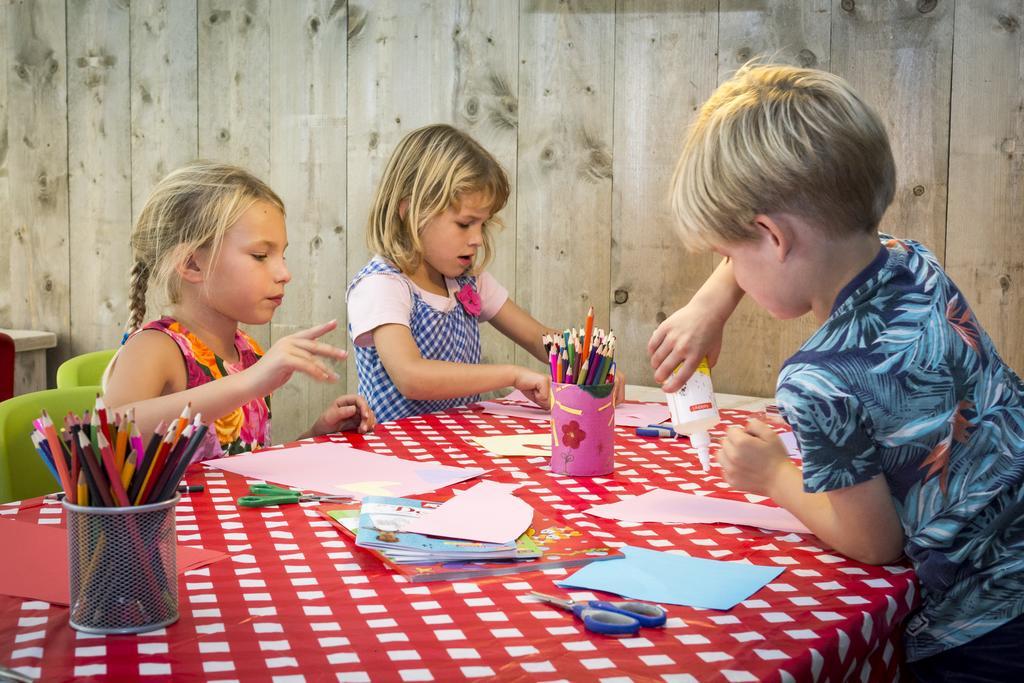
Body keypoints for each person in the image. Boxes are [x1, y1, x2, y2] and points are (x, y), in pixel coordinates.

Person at [648, 62, 1024, 678]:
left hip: (982, 624)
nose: (729, 273)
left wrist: (774, 477)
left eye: (725, 256)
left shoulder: (817, 380)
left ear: (770, 235)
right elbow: (796, 227)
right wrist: (714, 299)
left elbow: (876, 545)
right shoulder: (912, 262)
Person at [348, 124, 621, 423]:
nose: (477, 238)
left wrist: (594, 365)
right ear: (410, 211)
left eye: (483, 224)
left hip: (460, 448)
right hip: (394, 457)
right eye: (465, 223)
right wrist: (511, 375)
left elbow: (538, 338)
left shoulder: (467, 281)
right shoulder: (382, 285)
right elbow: (411, 376)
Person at [104, 161, 375, 460]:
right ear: (193, 264)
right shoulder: (156, 347)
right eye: (260, 256)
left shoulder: (247, 351)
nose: (284, 273)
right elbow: (114, 430)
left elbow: (247, 462)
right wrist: (250, 381)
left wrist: (318, 434)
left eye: (282, 255)